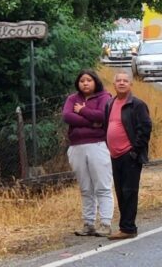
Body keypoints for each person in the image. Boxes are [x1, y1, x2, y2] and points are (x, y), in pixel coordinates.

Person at [62, 70, 113, 237]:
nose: (85, 83)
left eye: (89, 80)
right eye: (82, 80)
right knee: (85, 188)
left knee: (102, 186)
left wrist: (82, 111)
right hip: (77, 146)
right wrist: (92, 122)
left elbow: (103, 116)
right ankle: (88, 223)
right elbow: (67, 116)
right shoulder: (72, 99)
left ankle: (105, 222)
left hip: (97, 145)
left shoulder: (104, 97)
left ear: (95, 82)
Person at [105, 70, 152, 240]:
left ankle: (128, 228)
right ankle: (124, 226)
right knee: (119, 191)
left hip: (129, 155)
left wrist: (135, 151)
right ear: (114, 84)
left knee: (129, 191)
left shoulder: (137, 105)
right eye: (119, 80)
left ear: (131, 84)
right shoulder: (110, 104)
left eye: (125, 80)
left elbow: (145, 128)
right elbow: (106, 126)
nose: (122, 83)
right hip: (115, 155)